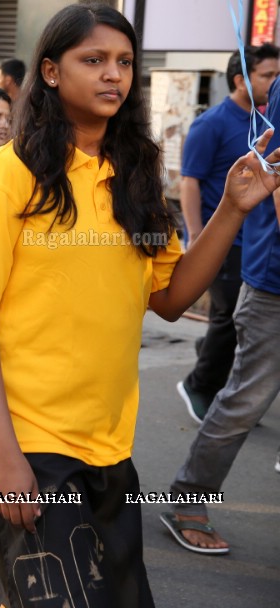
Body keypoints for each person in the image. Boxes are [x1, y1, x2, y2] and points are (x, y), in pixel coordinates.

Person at [0, 3, 280, 606]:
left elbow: (171, 298)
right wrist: (6, 456)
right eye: (92, 60)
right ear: (50, 72)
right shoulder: (10, 174)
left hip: (110, 444)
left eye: (123, 62)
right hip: (32, 444)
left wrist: (232, 208)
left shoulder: (138, 172)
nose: (113, 76)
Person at [163, 42, 280, 556]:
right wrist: (194, 238)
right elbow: (272, 181)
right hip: (271, 281)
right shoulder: (215, 123)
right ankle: (188, 497)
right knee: (245, 400)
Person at [176, 44, 279, 421]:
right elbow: (189, 182)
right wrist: (197, 236)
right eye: (267, 75)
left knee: (232, 318)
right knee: (229, 318)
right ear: (241, 80)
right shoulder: (212, 123)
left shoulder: (265, 121)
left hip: (251, 238)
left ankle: (211, 354)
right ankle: (199, 384)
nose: (274, 81)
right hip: (219, 239)